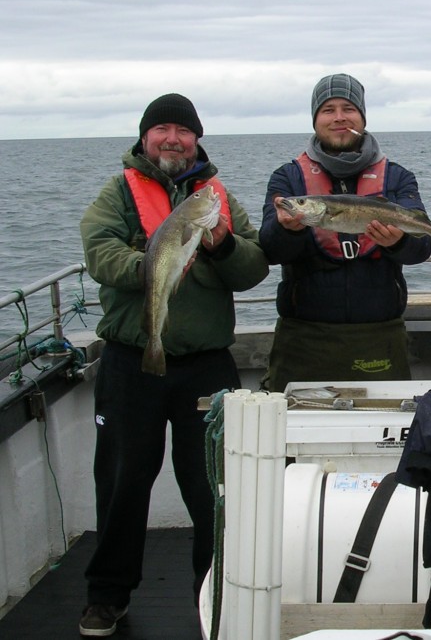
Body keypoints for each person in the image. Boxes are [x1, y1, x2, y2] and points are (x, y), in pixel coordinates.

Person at [78, 93, 270, 636]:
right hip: (129, 363)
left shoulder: (219, 198)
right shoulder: (116, 193)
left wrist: (220, 245)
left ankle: (213, 594)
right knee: (122, 482)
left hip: (207, 367)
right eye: (161, 129)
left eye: (182, 131)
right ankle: (106, 595)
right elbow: (99, 252)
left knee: (215, 486)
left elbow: (253, 267)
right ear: (144, 139)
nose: (171, 139)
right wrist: (157, 261)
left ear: (197, 139)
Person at [259, 73, 431, 392]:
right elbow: (270, 251)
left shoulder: (397, 178)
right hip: (304, 339)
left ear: (362, 117)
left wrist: (400, 241)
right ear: (315, 120)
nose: (339, 117)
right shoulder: (287, 180)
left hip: (380, 337)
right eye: (328, 110)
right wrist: (288, 231)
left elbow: (421, 249)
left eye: (348, 108)